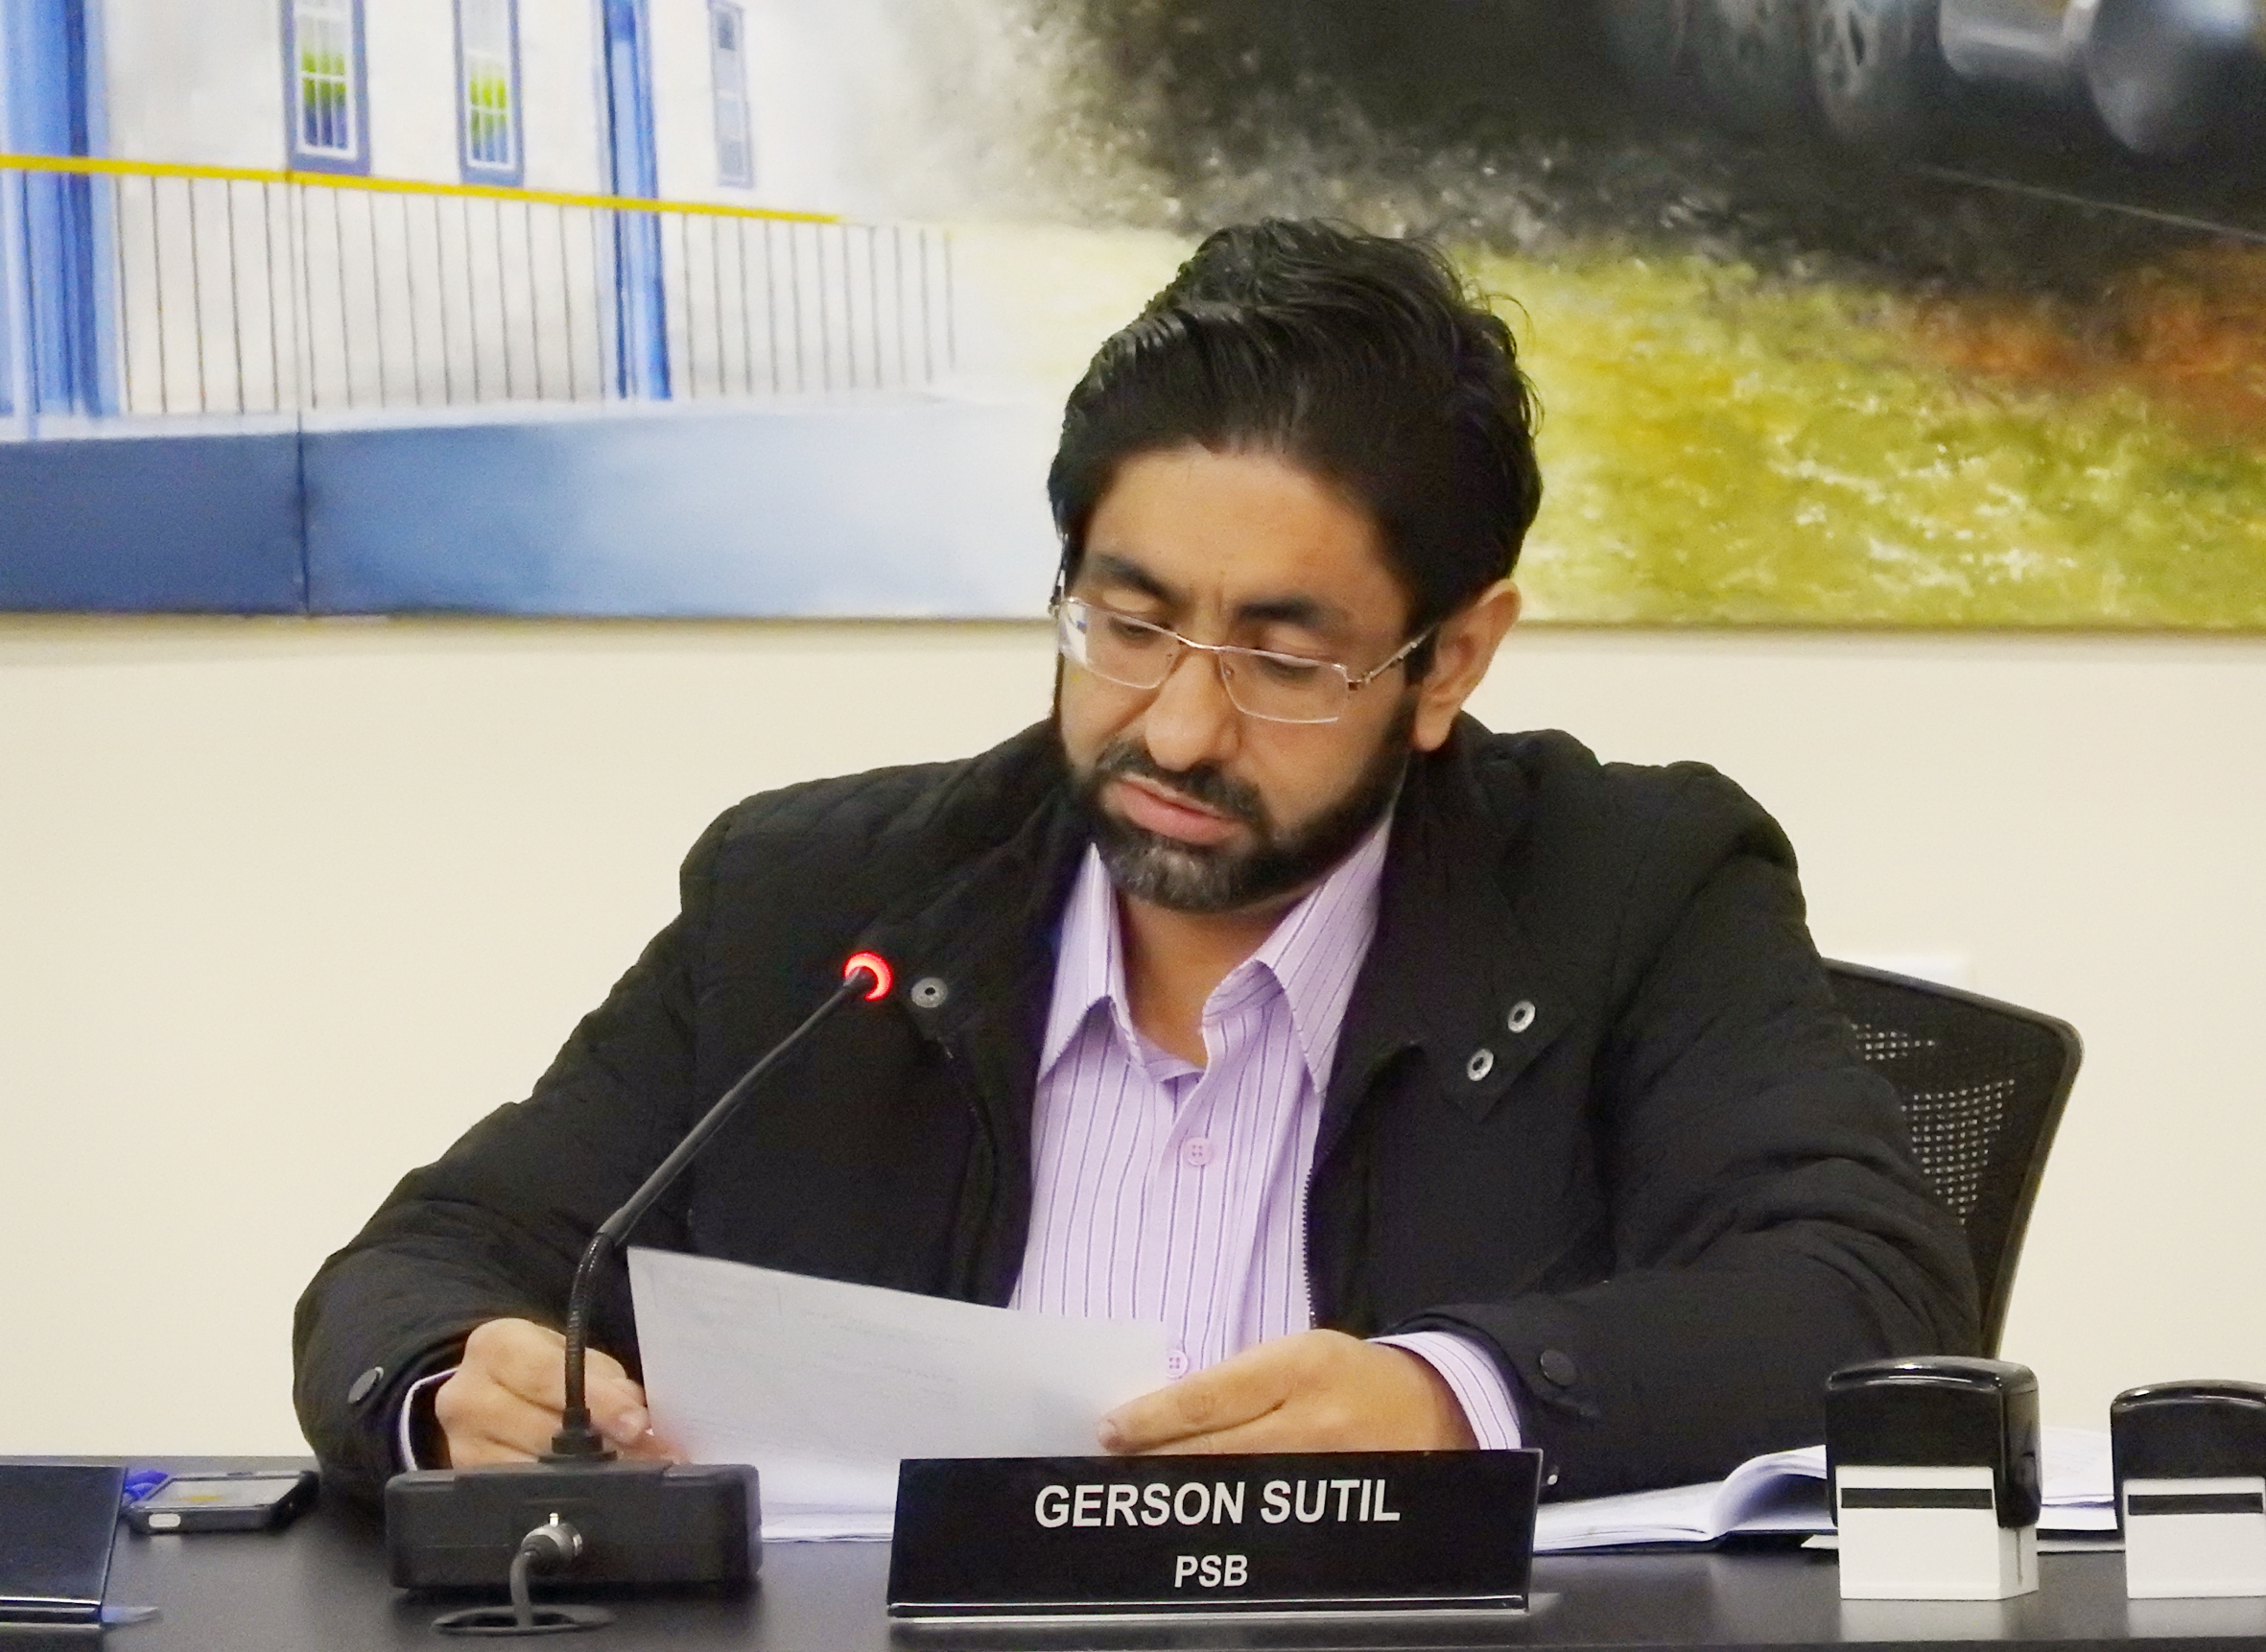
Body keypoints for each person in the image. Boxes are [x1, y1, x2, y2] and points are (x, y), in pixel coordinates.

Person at [294, 220, 1977, 1504]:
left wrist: (1451, 1398)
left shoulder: (1627, 885)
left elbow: (1866, 1297)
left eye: (1282, 659)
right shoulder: (815, 906)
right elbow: (421, 1267)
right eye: (1127, 623)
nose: (1175, 728)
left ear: (1449, 660)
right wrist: (451, 1386)